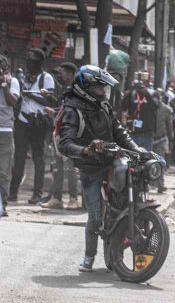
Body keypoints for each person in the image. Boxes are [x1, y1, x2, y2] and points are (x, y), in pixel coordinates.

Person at [56, 65, 144, 271]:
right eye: (98, 87)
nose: (103, 92)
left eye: (103, 88)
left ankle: (116, 254)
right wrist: (86, 149)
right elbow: (64, 144)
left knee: (120, 205)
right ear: (86, 87)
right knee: (95, 217)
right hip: (90, 167)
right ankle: (89, 256)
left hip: (112, 159)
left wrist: (136, 149)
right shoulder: (72, 109)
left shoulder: (104, 106)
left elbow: (119, 131)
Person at [10, 48, 57, 204]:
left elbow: (49, 101)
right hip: (22, 120)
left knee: (38, 157)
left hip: (38, 122)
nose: (28, 64)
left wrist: (31, 94)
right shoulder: (25, 77)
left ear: (38, 63)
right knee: (19, 157)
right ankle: (13, 192)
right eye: (27, 61)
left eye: (31, 62)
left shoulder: (46, 78)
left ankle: (37, 193)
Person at [42, 62, 80, 210]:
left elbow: (71, 111)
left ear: (70, 73)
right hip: (60, 133)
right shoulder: (67, 89)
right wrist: (51, 98)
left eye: (63, 72)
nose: (60, 75)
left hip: (70, 134)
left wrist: (54, 112)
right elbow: (62, 106)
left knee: (70, 167)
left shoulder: (76, 91)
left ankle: (73, 198)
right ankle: (56, 198)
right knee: (57, 166)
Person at [0, 55, 19, 216]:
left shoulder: (13, 82)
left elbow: (14, 102)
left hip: (5, 131)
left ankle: (2, 205)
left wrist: (4, 85)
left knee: (3, 171)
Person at [122, 80, 158, 151]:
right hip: (133, 132)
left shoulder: (153, 93)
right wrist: (129, 93)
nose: (140, 88)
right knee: (133, 157)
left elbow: (155, 107)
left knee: (146, 158)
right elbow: (124, 107)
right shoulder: (132, 94)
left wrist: (147, 95)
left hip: (147, 133)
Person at [152, 88, 173, 194]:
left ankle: (160, 184)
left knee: (160, 162)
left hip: (161, 139)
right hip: (149, 138)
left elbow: (169, 126)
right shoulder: (148, 107)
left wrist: (171, 139)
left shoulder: (166, 110)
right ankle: (146, 185)